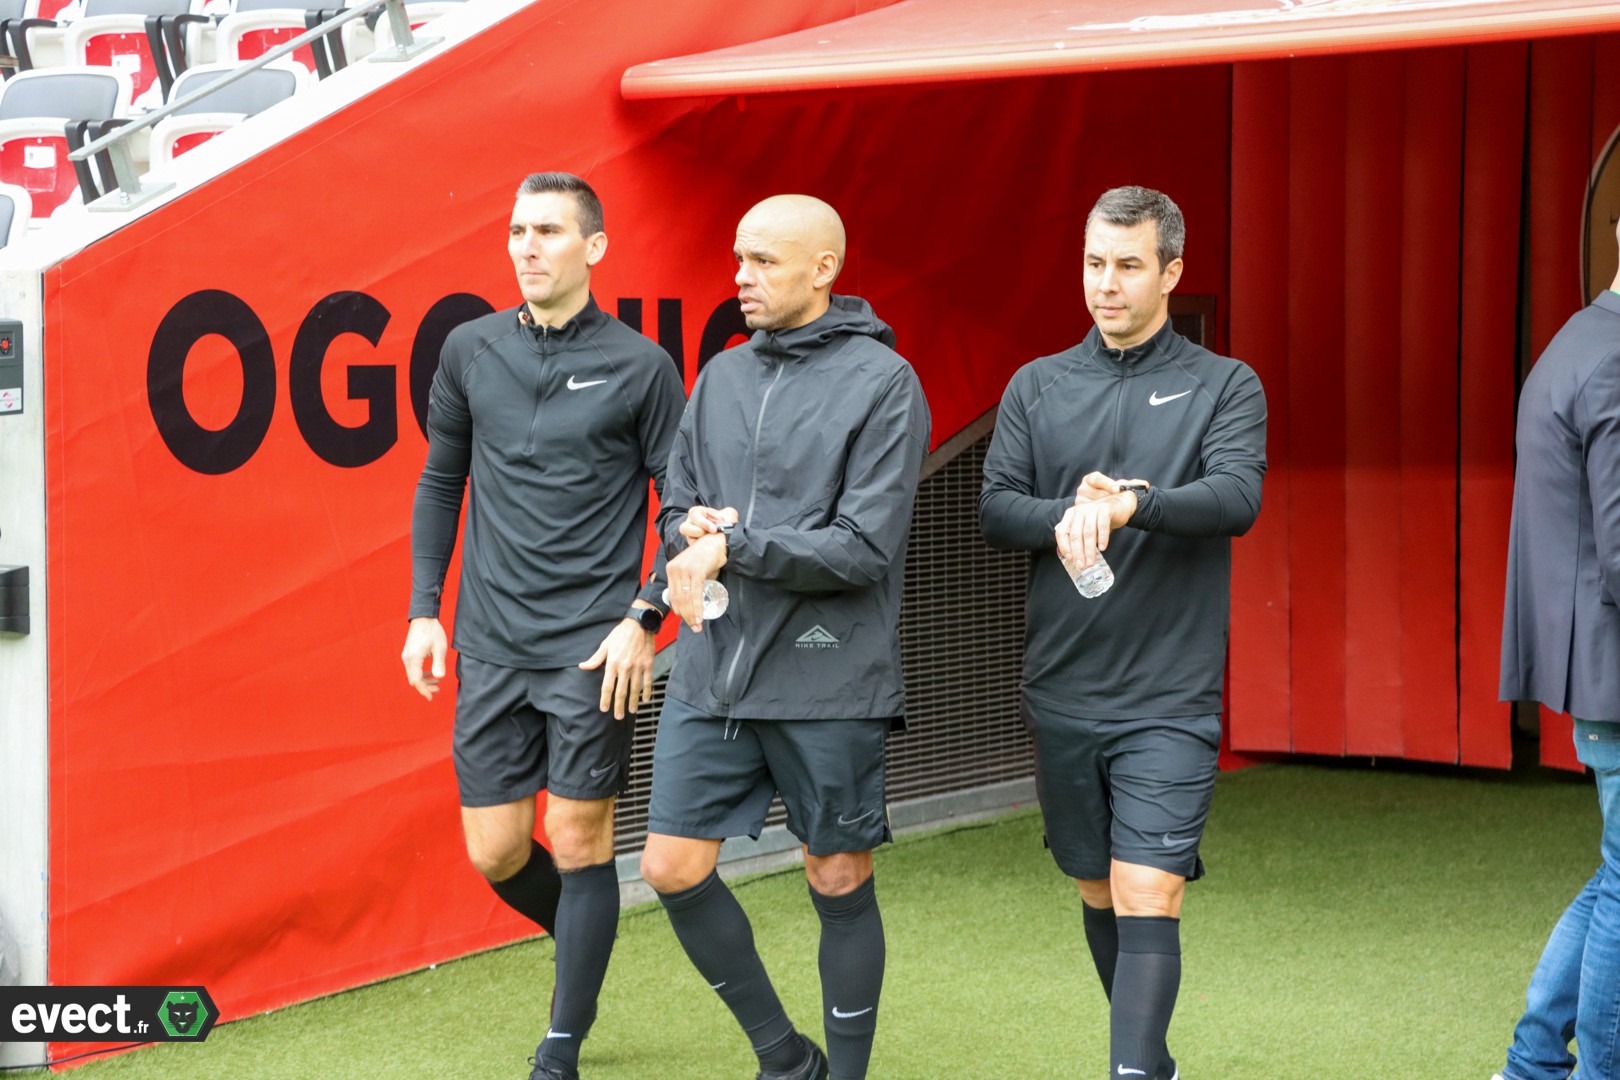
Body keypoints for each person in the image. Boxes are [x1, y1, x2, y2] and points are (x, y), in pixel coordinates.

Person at [638, 194, 930, 1080]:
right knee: (670, 867)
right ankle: (783, 1058)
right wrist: (692, 533)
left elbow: (864, 547)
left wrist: (739, 543)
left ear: (824, 269)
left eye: (763, 261)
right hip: (711, 671)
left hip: (827, 678)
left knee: (835, 877)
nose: (742, 277)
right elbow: (678, 502)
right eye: (739, 259)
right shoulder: (720, 376)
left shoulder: (885, 384)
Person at [401, 171, 685, 1080]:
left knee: (580, 838)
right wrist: (422, 612)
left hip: (589, 650)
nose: (528, 246)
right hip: (487, 641)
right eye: (518, 230)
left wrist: (646, 616)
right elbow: (442, 481)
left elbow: (681, 508)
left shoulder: (643, 367)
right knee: (496, 849)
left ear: (594, 248)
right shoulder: (468, 348)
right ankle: (587, 939)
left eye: (550, 231)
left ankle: (561, 1043)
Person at [979, 186, 1266, 1080]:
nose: (1107, 284)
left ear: (1172, 272)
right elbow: (994, 508)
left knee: (1149, 887)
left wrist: (1136, 504)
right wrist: (1070, 514)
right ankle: (1154, 1061)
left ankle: (1131, 1071)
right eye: (1095, 264)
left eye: (1129, 266)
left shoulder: (1225, 383)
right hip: (1063, 684)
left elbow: (1236, 499)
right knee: (1099, 886)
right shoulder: (1038, 383)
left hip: (1169, 691)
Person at [1494, 225, 1620, 1080]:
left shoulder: (1579, 339)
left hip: (1595, 672)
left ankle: (1533, 1062)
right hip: (1615, 674)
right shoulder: (1613, 361)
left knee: (1617, 876)